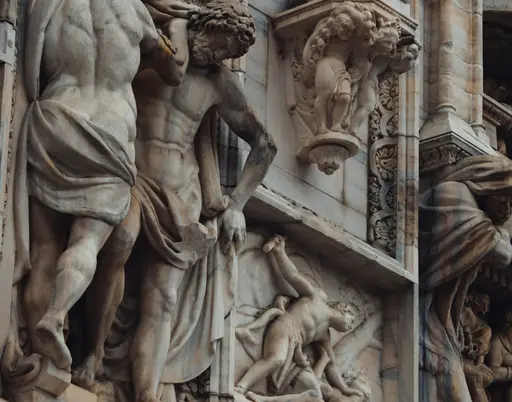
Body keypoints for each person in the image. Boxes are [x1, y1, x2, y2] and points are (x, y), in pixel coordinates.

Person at [82, 0, 277, 398]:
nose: (217, 56)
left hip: (181, 196)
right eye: (216, 45)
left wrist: (237, 204)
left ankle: (146, 395)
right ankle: (92, 352)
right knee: (117, 244)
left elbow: (265, 144)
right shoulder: (153, 42)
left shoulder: (221, 82)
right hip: (131, 172)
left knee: (164, 298)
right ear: (206, 24)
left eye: (225, 55)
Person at [18, 0, 185, 373]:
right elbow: (174, 69)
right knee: (87, 244)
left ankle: (40, 367)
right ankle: (57, 313)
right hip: (109, 136)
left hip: (56, 121)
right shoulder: (134, 12)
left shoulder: (49, 4)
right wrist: (176, 26)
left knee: (45, 250)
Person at [419, 155, 512, 401]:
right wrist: (503, 232)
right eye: (507, 200)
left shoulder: (472, 208)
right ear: (491, 185)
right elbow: (503, 253)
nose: (509, 210)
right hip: (424, 316)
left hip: (438, 319)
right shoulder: (454, 196)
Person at [233, 235, 364, 401]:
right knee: (276, 359)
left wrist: (345, 388)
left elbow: (331, 365)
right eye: (352, 321)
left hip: (294, 344)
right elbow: (293, 276)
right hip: (285, 325)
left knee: (282, 362)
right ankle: (242, 386)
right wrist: (280, 253)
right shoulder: (318, 297)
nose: (350, 327)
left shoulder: (325, 335)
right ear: (343, 309)